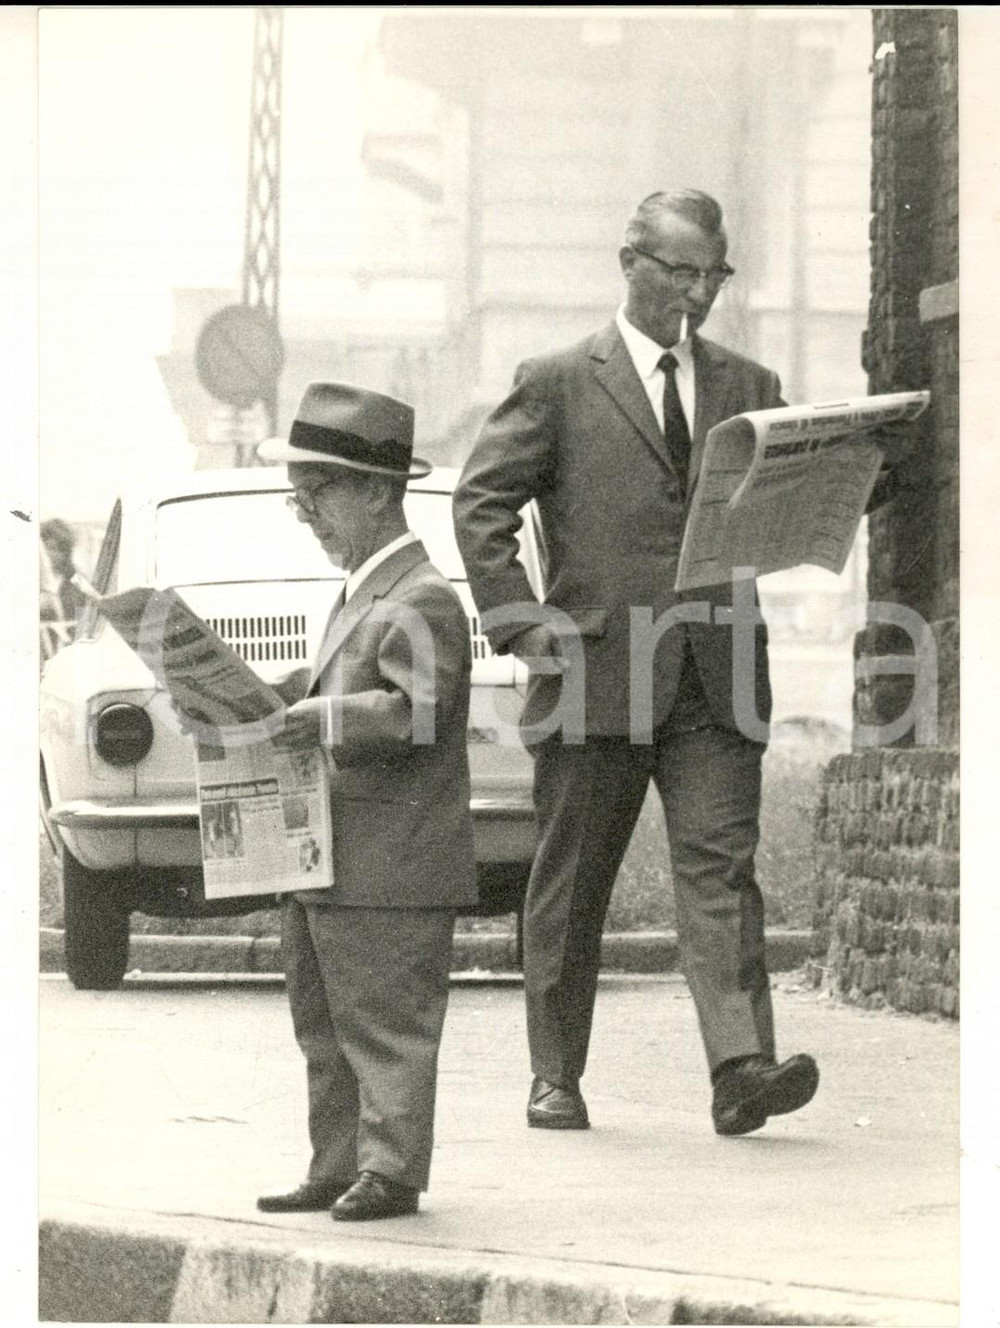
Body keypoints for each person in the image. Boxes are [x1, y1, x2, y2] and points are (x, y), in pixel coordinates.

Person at [452, 189, 832, 1138]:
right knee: (574, 879)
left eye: (714, 276)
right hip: (593, 670)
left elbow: (793, 497)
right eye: (682, 273)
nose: (700, 296)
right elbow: (481, 500)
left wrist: (859, 470)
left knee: (721, 870)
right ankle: (555, 1075)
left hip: (716, 672)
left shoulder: (751, 386)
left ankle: (740, 1068)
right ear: (631, 263)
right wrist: (516, 618)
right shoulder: (555, 381)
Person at [254, 382, 477, 1220]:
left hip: (391, 860)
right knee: (325, 1022)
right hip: (338, 856)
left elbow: (414, 712)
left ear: (381, 492)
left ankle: (390, 1170)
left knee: (385, 1025)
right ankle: (339, 1161)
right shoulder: (363, 594)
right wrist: (267, 693)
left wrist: (317, 717)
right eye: (301, 497)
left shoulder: (421, 596)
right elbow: (350, 688)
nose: (309, 514)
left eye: (321, 494)